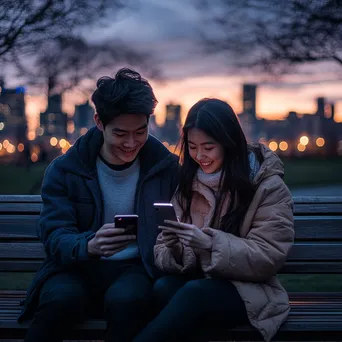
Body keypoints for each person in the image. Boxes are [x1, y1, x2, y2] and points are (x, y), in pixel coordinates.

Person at [18, 68, 179, 342]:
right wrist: (89, 245)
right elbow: (54, 235)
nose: (131, 143)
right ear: (99, 123)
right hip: (75, 266)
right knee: (61, 301)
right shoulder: (66, 169)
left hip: (135, 267)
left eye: (140, 132)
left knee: (127, 301)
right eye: (120, 134)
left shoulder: (166, 168)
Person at [134, 98, 295, 342]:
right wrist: (175, 246)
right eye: (192, 146)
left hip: (251, 291)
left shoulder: (267, 186)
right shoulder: (189, 184)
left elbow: (268, 255)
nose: (199, 156)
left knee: (194, 294)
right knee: (163, 288)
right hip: (200, 284)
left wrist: (210, 244)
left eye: (208, 147)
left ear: (229, 143)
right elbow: (162, 253)